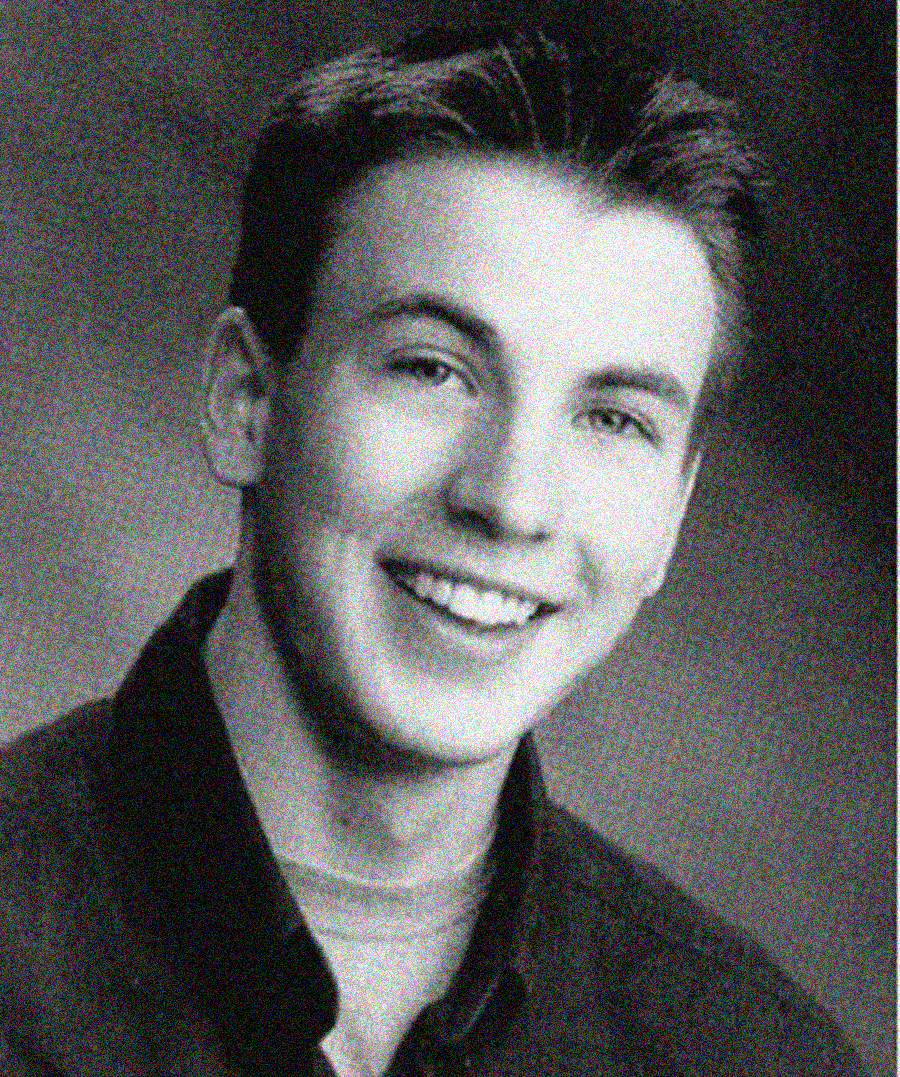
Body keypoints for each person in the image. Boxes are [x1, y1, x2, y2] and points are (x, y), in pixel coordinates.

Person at [0, 25, 867, 1077]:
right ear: (247, 401)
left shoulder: (749, 1056)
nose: (510, 500)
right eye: (433, 369)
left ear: (675, 514)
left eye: (613, 419)